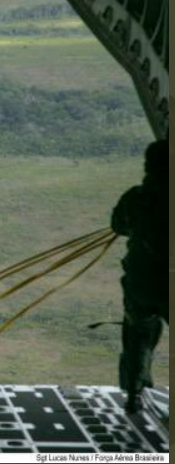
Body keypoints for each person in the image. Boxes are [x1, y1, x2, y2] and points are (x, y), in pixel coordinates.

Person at [111, 139, 168, 414]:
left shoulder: (137, 197)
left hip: (142, 283)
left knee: (138, 336)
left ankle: (134, 394)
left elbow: (118, 225)